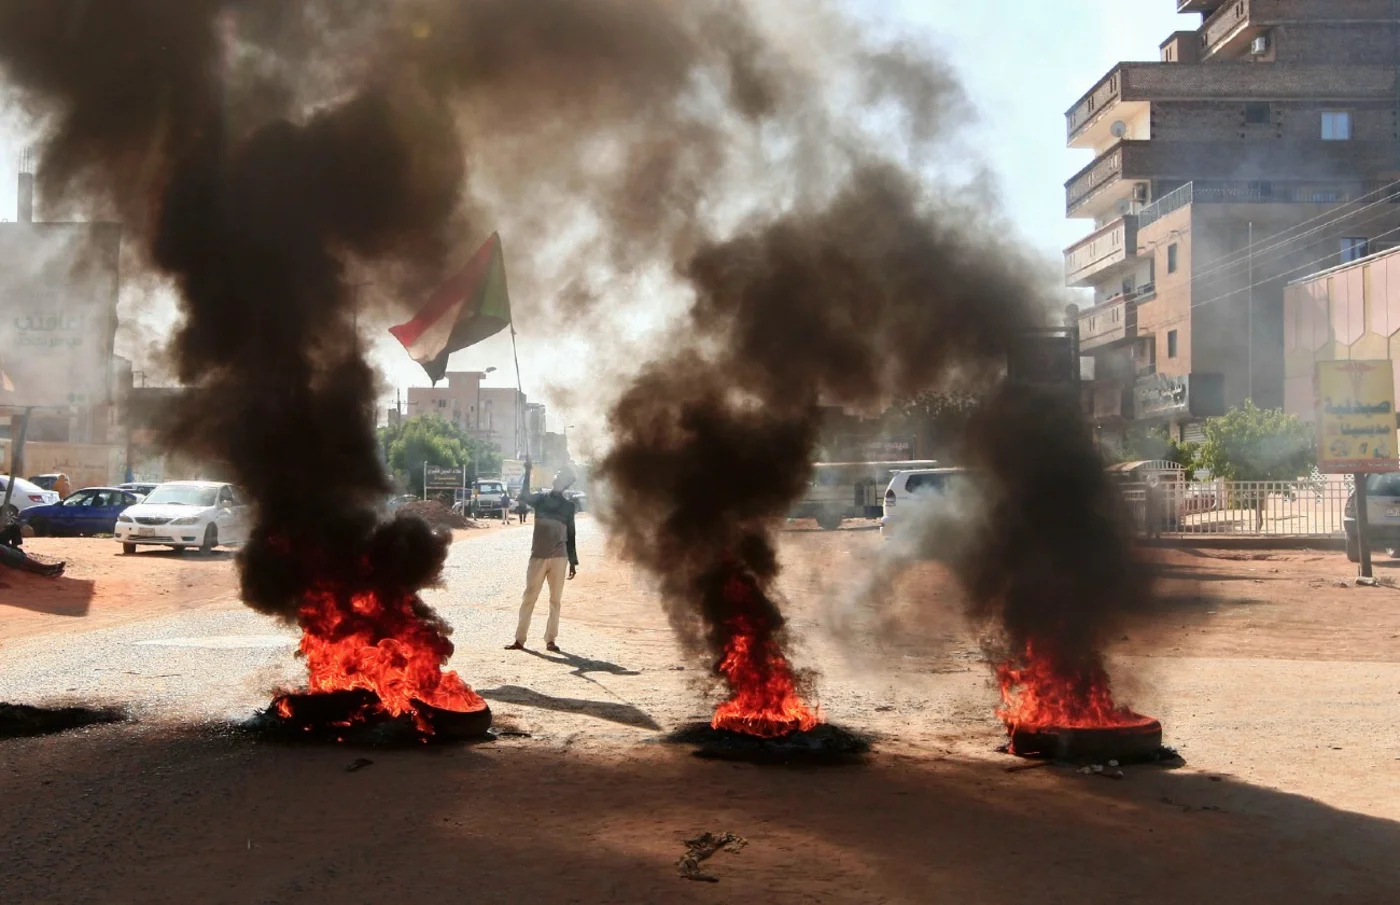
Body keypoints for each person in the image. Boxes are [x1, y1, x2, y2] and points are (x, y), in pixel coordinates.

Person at [505, 460, 578, 652]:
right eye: (557, 476)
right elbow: (523, 496)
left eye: (561, 478)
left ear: (565, 484)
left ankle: (550, 639)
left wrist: (573, 562)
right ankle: (520, 640)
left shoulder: (568, 506)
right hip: (537, 556)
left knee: (555, 600)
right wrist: (527, 472)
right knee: (529, 597)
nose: (557, 480)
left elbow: (571, 534)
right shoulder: (540, 499)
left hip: (559, 558)